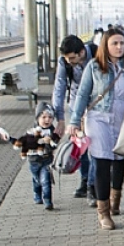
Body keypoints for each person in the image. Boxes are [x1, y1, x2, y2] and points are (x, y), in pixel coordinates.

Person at [67, 28, 124, 230]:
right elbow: (82, 94)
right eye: (114, 43)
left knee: (119, 161)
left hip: (123, 117)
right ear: (105, 46)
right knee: (101, 162)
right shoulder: (94, 66)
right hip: (98, 117)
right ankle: (104, 213)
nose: (119, 47)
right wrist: (74, 121)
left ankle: (115, 200)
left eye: (122, 43)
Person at [51, 35, 96, 200]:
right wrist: (61, 119)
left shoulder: (97, 55)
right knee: (80, 147)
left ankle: (94, 184)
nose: (69, 61)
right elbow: (59, 87)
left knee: (96, 147)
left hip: (96, 107)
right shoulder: (64, 62)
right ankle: (86, 181)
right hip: (76, 107)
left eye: (72, 58)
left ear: (82, 52)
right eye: (67, 58)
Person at [14, 102, 61, 210]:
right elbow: (25, 141)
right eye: (43, 117)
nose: (47, 120)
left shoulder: (52, 132)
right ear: (37, 118)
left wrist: (50, 143)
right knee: (36, 180)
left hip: (46, 160)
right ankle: (37, 194)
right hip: (33, 160)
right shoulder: (32, 132)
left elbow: (54, 145)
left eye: (50, 117)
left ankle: (48, 201)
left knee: (45, 181)